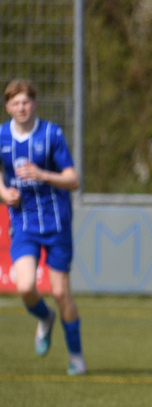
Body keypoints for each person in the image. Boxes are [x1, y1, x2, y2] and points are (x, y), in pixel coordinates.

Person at [0, 79, 85, 375]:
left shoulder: (51, 135)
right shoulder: (1, 136)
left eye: (26, 101)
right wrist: (3, 192)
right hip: (23, 223)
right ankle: (45, 318)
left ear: (34, 104)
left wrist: (43, 174)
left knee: (61, 292)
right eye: (15, 103)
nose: (21, 107)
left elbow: (73, 180)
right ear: (8, 107)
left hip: (57, 222)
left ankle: (76, 356)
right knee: (25, 287)